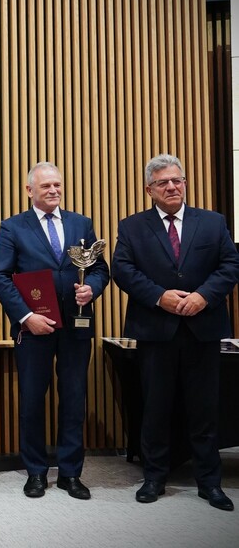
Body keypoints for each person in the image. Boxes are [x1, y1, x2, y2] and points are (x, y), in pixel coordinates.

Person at [111, 154, 239, 511]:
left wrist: (203, 296)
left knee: (204, 410)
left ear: (185, 184)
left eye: (178, 180)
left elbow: (230, 265)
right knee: (156, 407)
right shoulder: (132, 226)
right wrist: (158, 297)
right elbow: (122, 270)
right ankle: (154, 477)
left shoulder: (212, 223)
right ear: (149, 189)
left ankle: (210, 482)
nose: (172, 187)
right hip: (156, 330)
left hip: (203, 328)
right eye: (164, 182)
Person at [0, 162, 108, 500]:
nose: (53, 190)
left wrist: (92, 289)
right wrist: (26, 316)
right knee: (32, 401)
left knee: (73, 399)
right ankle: (36, 473)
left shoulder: (81, 223)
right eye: (45, 186)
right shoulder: (12, 227)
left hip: (77, 325)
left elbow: (99, 269)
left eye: (57, 184)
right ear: (30, 191)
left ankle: (71, 473)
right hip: (34, 328)